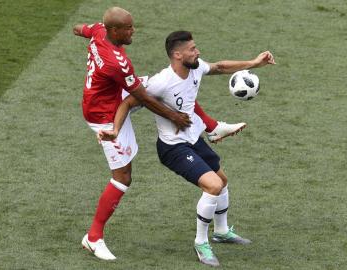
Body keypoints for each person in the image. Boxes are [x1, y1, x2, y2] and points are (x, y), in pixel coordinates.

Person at [73, 7, 247, 261]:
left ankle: (210, 126)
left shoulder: (99, 31)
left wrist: (79, 31)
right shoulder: (117, 62)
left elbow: (80, 28)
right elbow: (141, 98)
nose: (134, 31)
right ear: (114, 30)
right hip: (104, 113)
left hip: (106, 94)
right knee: (123, 177)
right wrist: (174, 117)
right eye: (129, 28)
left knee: (172, 84)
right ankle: (93, 237)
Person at [99, 31, 275, 266]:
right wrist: (114, 130)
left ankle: (221, 231)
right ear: (177, 54)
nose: (198, 52)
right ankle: (201, 243)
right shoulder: (161, 82)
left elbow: (220, 67)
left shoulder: (195, 67)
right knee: (212, 185)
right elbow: (128, 101)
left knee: (222, 180)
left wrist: (254, 62)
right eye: (192, 49)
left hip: (193, 139)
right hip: (173, 148)